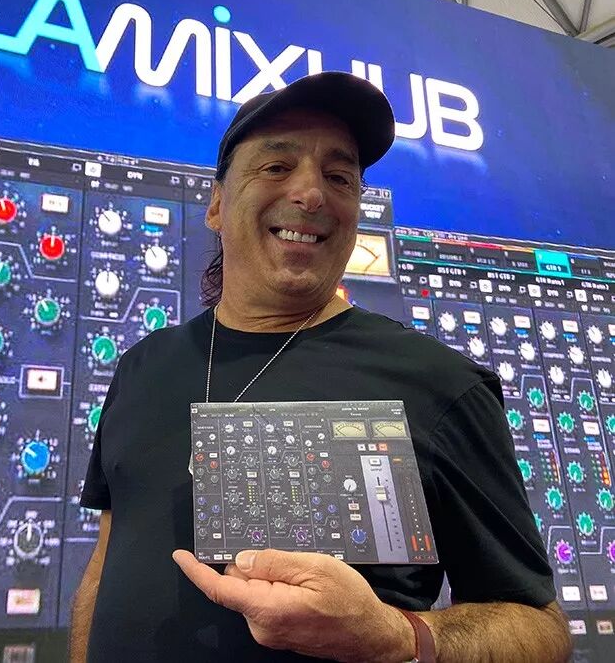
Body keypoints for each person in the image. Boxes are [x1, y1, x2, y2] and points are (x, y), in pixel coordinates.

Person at [69, 72, 572, 662]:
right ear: (216, 204)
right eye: (276, 166)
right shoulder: (141, 367)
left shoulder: (443, 385)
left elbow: (541, 629)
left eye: (339, 177)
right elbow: (104, 565)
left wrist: (398, 635)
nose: (311, 193)